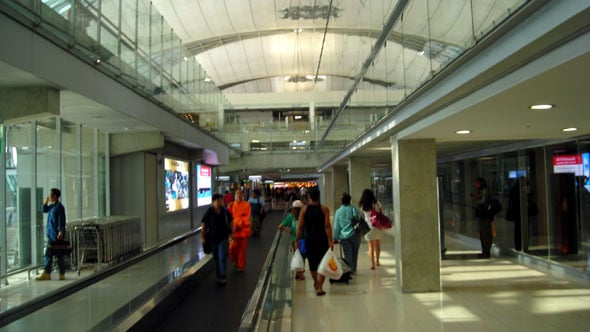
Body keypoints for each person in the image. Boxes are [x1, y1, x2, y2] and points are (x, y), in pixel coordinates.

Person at [295, 187, 333, 296]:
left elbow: (300, 227)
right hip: (322, 239)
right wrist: (330, 240)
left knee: (312, 264)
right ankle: (320, 287)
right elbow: (327, 226)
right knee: (323, 263)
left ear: (309, 197)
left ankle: (316, 282)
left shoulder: (304, 209)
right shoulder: (324, 209)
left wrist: (297, 240)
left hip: (310, 240)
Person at [202, 193, 233, 285]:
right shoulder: (209, 212)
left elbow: (232, 222)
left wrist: (232, 234)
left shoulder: (225, 211)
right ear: (214, 201)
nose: (220, 202)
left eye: (221, 200)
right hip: (213, 238)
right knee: (216, 257)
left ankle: (222, 276)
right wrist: (203, 238)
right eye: (218, 200)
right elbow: (204, 225)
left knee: (222, 256)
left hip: (223, 237)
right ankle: (218, 274)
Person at [36, 188, 67, 281]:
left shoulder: (59, 207)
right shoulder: (52, 206)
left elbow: (61, 220)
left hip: (56, 235)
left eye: (50, 195)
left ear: (55, 196)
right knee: (51, 254)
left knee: (56, 254)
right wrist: (45, 203)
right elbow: (44, 210)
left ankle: (51, 273)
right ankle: (51, 273)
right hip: (51, 234)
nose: (48, 197)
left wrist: (60, 231)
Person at [333, 193, 362, 275]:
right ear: (350, 200)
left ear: (341, 201)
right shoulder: (353, 210)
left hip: (344, 236)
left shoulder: (338, 212)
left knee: (348, 254)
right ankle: (354, 270)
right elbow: (358, 220)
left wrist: (335, 237)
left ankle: (348, 271)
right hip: (355, 235)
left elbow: (336, 226)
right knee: (355, 253)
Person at [279, 200, 305, 280]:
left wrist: (289, 231)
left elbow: (281, 226)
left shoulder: (291, 217)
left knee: (297, 255)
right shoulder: (304, 216)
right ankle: (300, 273)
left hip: (296, 240)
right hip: (302, 240)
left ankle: (298, 272)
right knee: (302, 256)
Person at [359, 189, 383, 270]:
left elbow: (363, 214)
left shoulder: (362, 205)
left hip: (368, 227)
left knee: (370, 246)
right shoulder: (377, 203)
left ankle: (372, 264)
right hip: (377, 226)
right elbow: (380, 213)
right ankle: (377, 262)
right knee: (378, 245)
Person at [228, 189, 251, 272]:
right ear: (235, 196)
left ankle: (240, 266)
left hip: (244, 231)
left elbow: (247, 218)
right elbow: (229, 218)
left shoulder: (247, 204)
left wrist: (237, 223)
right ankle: (235, 260)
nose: (239, 195)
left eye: (241, 193)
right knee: (232, 247)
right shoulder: (231, 205)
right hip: (234, 232)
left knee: (242, 250)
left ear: (243, 195)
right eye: (237, 193)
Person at [472, 177, 493, 258]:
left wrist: (477, 199)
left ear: (481, 183)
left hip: (485, 215)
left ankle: (486, 251)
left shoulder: (485, 191)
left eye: (477, 183)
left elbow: (483, 202)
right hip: (482, 216)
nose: (476, 185)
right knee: (482, 233)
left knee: (486, 234)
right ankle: (484, 251)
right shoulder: (481, 191)